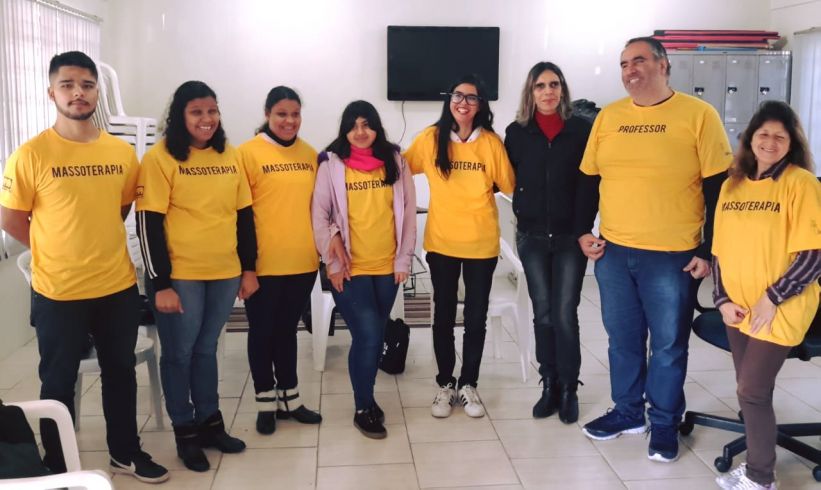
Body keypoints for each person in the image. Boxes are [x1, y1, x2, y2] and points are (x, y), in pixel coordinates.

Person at [0, 51, 169, 483]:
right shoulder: (30, 154)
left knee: (120, 373)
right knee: (56, 381)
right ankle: (58, 464)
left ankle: (125, 454)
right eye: (68, 84)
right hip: (58, 291)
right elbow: (12, 220)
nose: (78, 93)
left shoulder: (120, 152)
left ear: (98, 91)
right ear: (51, 91)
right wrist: (55, 248)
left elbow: (123, 205)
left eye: (87, 85)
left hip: (116, 287)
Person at [574, 37, 733, 462]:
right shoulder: (608, 117)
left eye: (639, 60)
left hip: (671, 256)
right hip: (613, 252)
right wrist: (580, 231)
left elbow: (719, 190)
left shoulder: (699, 116)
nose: (630, 70)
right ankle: (628, 413)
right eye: (624, 63)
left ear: (663, 65)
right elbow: (589, 180)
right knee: (622, 340)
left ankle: (664, 422)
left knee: (667, 345)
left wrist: (708, 248)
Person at [136, 81, 256, 472]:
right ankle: (185, 433)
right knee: (179, 355)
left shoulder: (231, 156)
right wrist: (161, 284)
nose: (207, 119)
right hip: (181, 275)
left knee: (206, 351)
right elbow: (148, 223)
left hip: (224, 272)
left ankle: (210, 423)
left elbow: (243, 217)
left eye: (212, 111)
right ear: (180, 117)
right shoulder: (161, 159)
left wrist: (248, 268)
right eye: (197, 112)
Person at [712, 101, 821, 490]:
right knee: (752, 389)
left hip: (780, 306)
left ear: (791, 143)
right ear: (749, 139)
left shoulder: (801, 184)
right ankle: (761, 462)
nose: (770, 142)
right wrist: (721, 299)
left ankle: (761, 477)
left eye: (779, 136)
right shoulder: (732, 184)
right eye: (763, 134)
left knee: (750, 391)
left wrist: (771, 298)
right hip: (738, 308)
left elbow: (813, 256)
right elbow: (719, 251)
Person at [404, 75, 516, 419]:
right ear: (449, 100)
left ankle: (469, 384)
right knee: (443, 315)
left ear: (480, 105)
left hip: (481, 245)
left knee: (476, 317)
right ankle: (445, 383)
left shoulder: (491, 143)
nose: (463, 102)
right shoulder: (430, 139)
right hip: (441, 244)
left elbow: (510, 185)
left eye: (471, 97)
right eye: (457, 95)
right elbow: (399, 168)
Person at [312, 100, 416, 439]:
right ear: (345, 129)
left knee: (370, 336)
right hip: (349, 269)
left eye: (367, 124)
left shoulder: (395, 162)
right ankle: (363, 405)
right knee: (370, 333)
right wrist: (333, 262)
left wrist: (404, 260)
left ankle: (366, 399)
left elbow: (409, 214)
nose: (361, 132)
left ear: (377, 127)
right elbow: (320, 215)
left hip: (388, 268)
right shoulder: (331, 165)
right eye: (354, 125)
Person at [504, 62, 591, 423]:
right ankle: (549, 383)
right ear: (531, 92)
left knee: (565, 314)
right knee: (543, 314)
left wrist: (585, 228)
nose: (548, 92)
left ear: (563, 90)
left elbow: (590, 184)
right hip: (533, 237)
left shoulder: (581, 130)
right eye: (540, 86)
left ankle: (569, 388)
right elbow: (507, 177)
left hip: (571, 237)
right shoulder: (517, 132)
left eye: (554, 85)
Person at [238, 86, 322, 435]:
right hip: (263, 266)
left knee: (288, 332)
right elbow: (240, 216)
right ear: (268, 114)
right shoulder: (246, 153)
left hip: (303, 262)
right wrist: (247, 268)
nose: (289, 121)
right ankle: (265, 402)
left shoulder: (311, 154)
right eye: (282, 114)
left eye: (295, 114)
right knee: (261, 333)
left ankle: (291, 398)